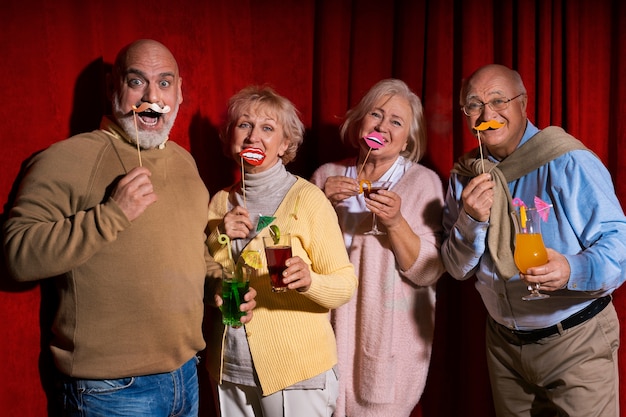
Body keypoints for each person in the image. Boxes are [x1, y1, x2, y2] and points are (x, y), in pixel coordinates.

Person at [2, 39, 256, 417]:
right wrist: (112, 214)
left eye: (165, 83)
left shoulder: (185, 162)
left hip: (186, 377)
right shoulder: (67, 158)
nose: (152, 95)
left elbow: (191, 253)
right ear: (112, 88)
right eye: (137, 82)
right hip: (110, 392)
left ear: (180, 92)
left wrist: (219, 284)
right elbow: (14, 257)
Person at [441, 64, 626, 416]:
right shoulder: (466, 175)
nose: (487, 114)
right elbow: (456, 269)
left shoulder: (567, 160)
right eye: (474, 104)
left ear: (523, 103)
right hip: (503, 346)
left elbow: (620, 244)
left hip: (576, 339)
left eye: (498, 101)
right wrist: (471, 220)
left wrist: (571, 268)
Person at [204, 85, 357, 416]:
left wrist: (310, 281)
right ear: (231, 137)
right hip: (230, 369)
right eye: (244, 125)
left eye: (267, 128)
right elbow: (208, 273)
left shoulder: (308, 198)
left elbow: (345, 284)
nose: (252, 136)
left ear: (285, 144)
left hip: (296, 372)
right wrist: (218, 241)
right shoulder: (219, 201)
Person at [310, 78, 445, 417]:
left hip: (387, 354)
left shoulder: (421, 182)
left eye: (396, 122)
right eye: (375, 114)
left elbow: (429, 269)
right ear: (359, 123)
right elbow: (296, 251)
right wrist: (320, 203)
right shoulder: (326, 175)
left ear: (408, 138)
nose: (382, 126)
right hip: (322, 342)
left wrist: (396, 222)